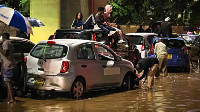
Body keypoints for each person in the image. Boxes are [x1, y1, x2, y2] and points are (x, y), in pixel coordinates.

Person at [0, 33, 16, 103]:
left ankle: (12, 98)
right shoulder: (9, 43)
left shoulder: (6, 43)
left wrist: (0, 48)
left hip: (8, 65)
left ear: (3, 37)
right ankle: (9, 98)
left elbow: (6, 53)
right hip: (7, 65)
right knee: (7, 82)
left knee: (8, 82)